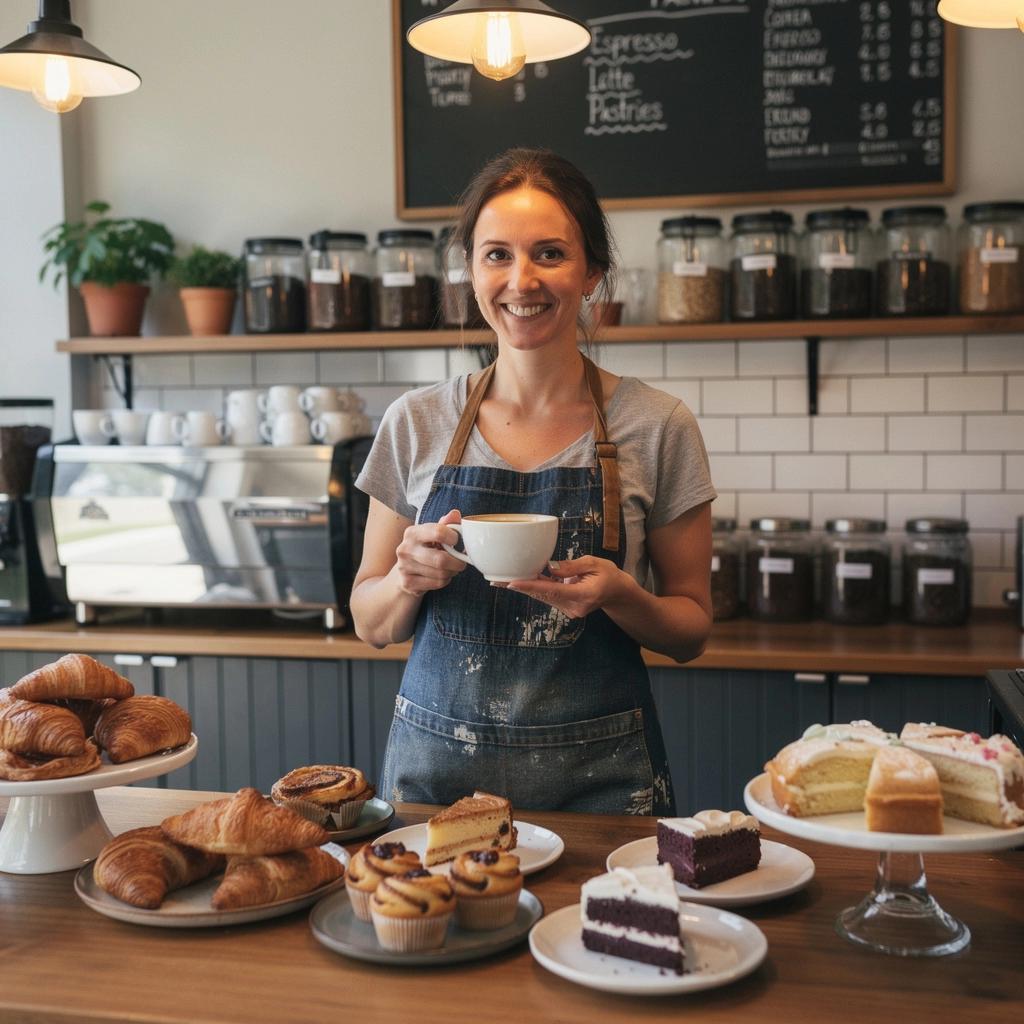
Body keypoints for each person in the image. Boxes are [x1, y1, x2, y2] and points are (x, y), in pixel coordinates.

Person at [351, 148, 715, 815]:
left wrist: (622, 596)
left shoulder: (658, 426)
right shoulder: (416, 422)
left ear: (592, 273)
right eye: (497, 255)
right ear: (469, 270)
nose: (522, 280)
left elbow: (690, 630)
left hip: (601, 782)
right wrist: (405, 579)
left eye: (550, 253)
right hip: (435, 784)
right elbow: (370, 623)